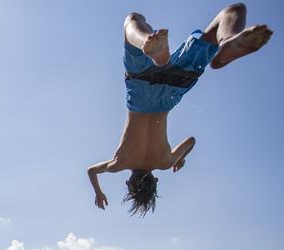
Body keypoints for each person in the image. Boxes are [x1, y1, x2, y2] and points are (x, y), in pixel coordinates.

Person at [87, 3, 272, 216]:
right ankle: (152, 47)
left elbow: (191, 141)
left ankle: (226, 40)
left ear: (155, 181)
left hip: (172, 92)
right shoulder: (117, 164)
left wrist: (180, 158)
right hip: (141, 90)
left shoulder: (165, 161)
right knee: (132, 19)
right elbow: (91, 171)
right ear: (128, 183)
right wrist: (98, 192)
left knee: (232, 12)